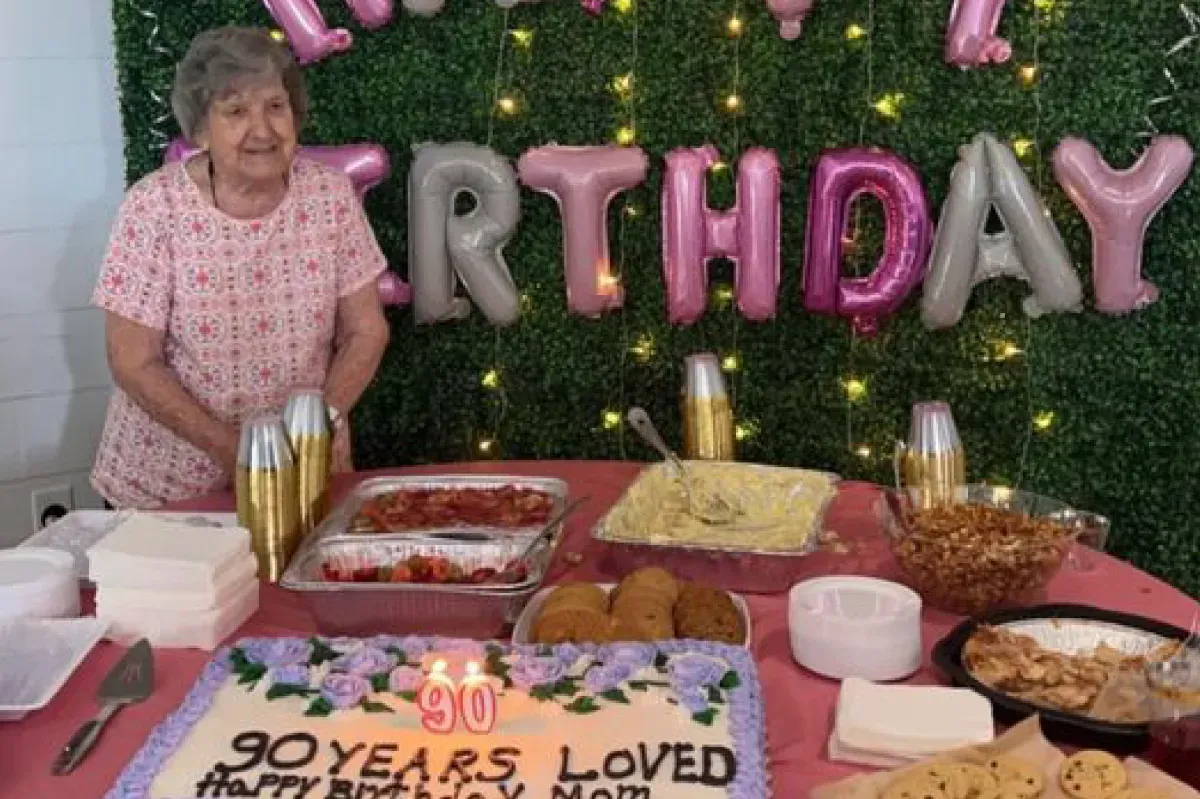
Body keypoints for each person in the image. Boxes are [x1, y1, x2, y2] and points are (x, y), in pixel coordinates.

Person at [91, 26, 390, 508]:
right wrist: (242, 455)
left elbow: (366, 332)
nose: (263, 129)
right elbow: (133, 361)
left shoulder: (329, 196)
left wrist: (315, 428)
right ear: (201, 128)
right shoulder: (153, 207)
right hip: (169, 492)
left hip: (303, 475)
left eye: (275, 106)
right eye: (235, 111)